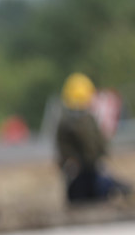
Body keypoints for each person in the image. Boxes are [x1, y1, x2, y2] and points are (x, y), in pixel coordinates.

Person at [55, 72, 131, 203]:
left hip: (90, 172)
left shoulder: (77, 122)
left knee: (103, 185)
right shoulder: (73, 123)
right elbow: (92, 146)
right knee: (94, 188)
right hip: (81, 174)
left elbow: (96, 146)